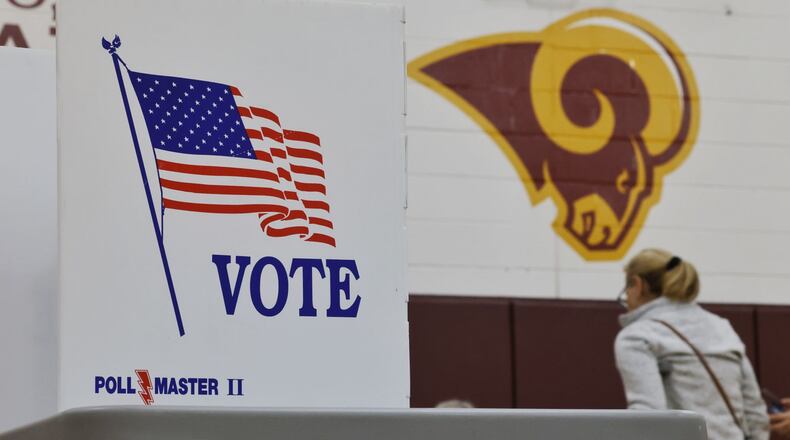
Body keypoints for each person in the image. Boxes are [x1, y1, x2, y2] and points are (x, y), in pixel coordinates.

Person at [614, 248, 769, 440]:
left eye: (626, 289)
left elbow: (648, 417)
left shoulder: (637, 336)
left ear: (637, 285)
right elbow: (756, 415)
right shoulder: (722, 327)